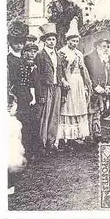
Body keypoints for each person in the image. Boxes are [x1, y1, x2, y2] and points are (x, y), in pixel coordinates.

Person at [57, 18, 92, 146]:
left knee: (78, 106)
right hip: (68, 80)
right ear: (67, 40)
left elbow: (83, 70)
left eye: (77, 41)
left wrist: (86, 85)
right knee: (68, 107)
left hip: (78, 82)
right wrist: (63, 81)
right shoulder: (62, 52)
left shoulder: (79, 53)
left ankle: (77, 135)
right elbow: (59, 70)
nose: (75, 43)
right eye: (72, 41)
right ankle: (66, 137)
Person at [34, 23, 65, 152]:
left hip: (56, 86)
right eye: (49, 39)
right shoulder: (40, 55)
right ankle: (42, 142)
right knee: (45, 115)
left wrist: (62, 87)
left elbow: (60, 72)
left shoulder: (57, 55)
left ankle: (51, 142)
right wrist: (40, 94)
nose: (52, 42)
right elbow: (37, 76)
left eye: (53, 39)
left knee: (54, 115)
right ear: (44, 41)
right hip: (46, 88)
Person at [11, 43, 40, 161]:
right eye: (30, 52)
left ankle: (30, 151)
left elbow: (32, 83)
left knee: (30, 123)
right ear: (24, 52)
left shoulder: (32, 66)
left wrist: (32, 97)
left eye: (34, 52)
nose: (32, 54)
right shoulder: (18, 63)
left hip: (27, 96)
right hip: (18, 96)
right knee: (22, 123)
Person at [84, 38, 110, 143]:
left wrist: (108, 85)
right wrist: (97, 87)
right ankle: (89, 135)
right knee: (90, 112)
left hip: (103, 89)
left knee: (98, 112)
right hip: (92, 89)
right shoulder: (89, 57)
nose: (106, 49)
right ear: (97, 46)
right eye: (103, 46)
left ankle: (97, 133)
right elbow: (90, 75)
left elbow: (109, 73)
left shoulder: (107, 58)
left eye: (107, 47)